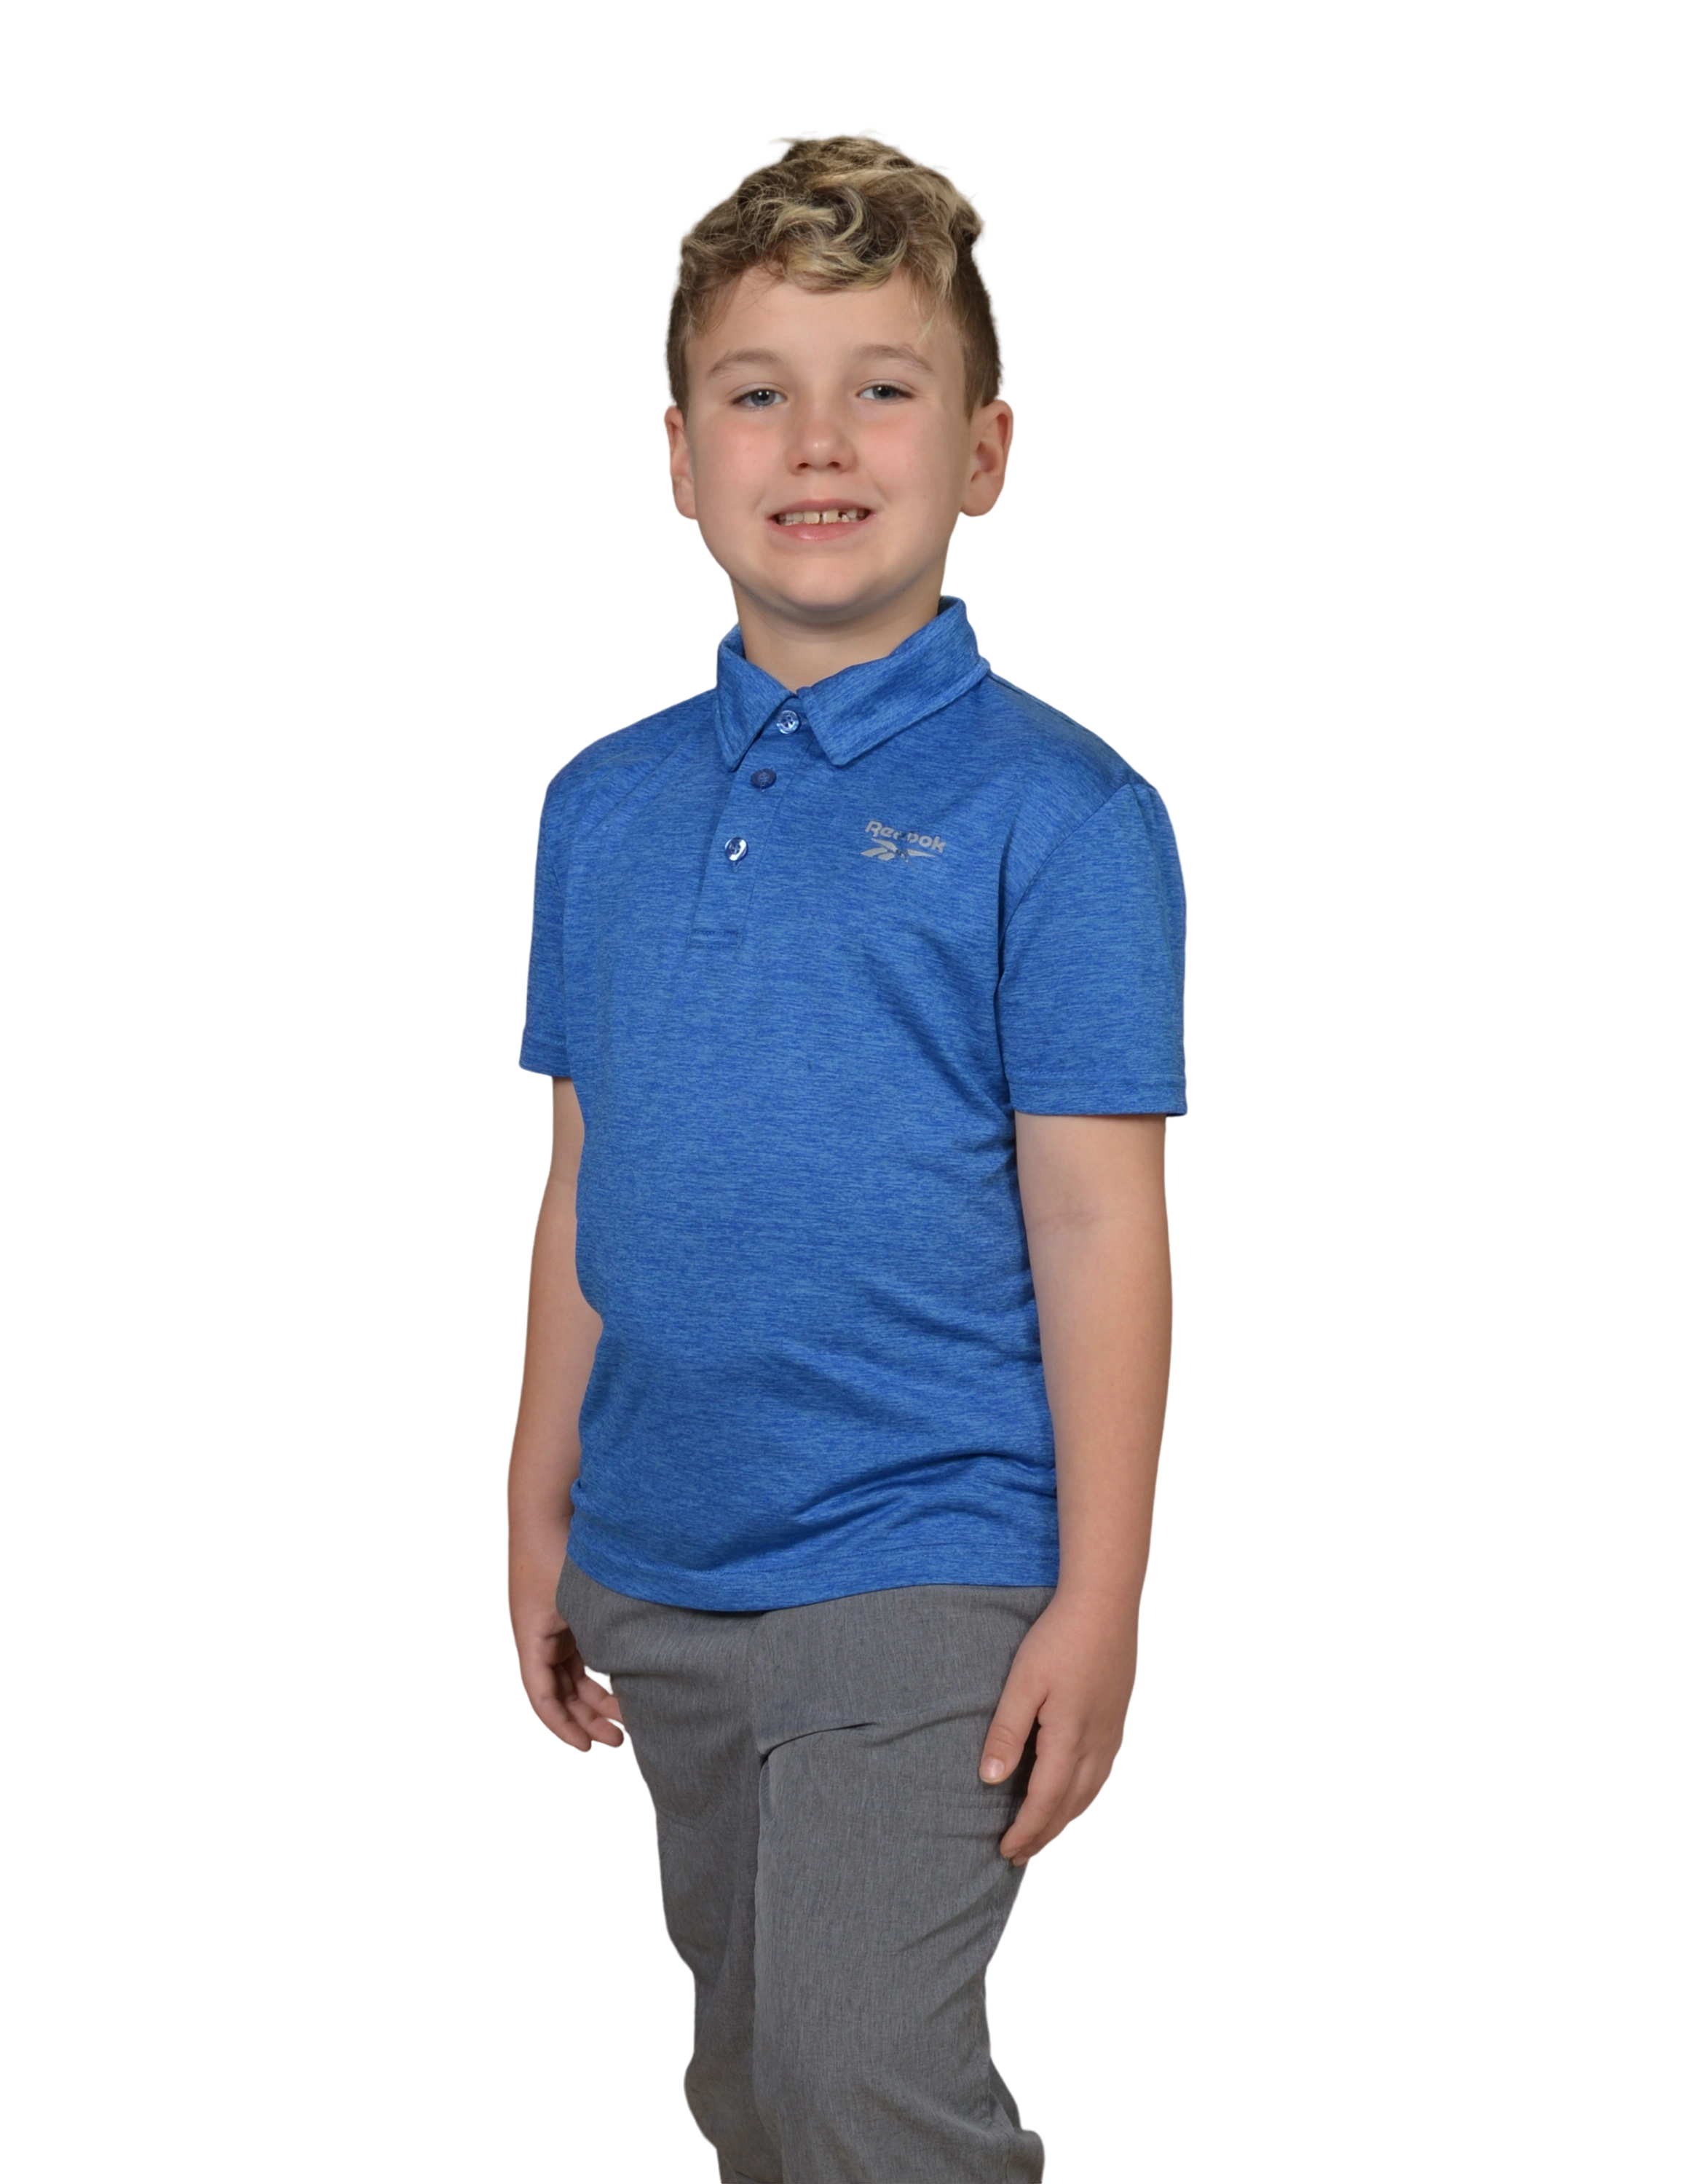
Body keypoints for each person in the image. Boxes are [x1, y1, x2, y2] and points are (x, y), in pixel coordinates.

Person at [505, 124, 1189, 2184]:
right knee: (755, 2090)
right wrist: (543, 1504)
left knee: (853, 2085)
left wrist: (1104, 1599)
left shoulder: (1068, 815)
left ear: (985, 451)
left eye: (882, 386)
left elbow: (1101, 1218)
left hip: (928, 1557)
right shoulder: (602, 806)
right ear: (678, 456)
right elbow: (587, 1178)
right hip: (662, 1564)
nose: (818, 441)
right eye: (757, 393)